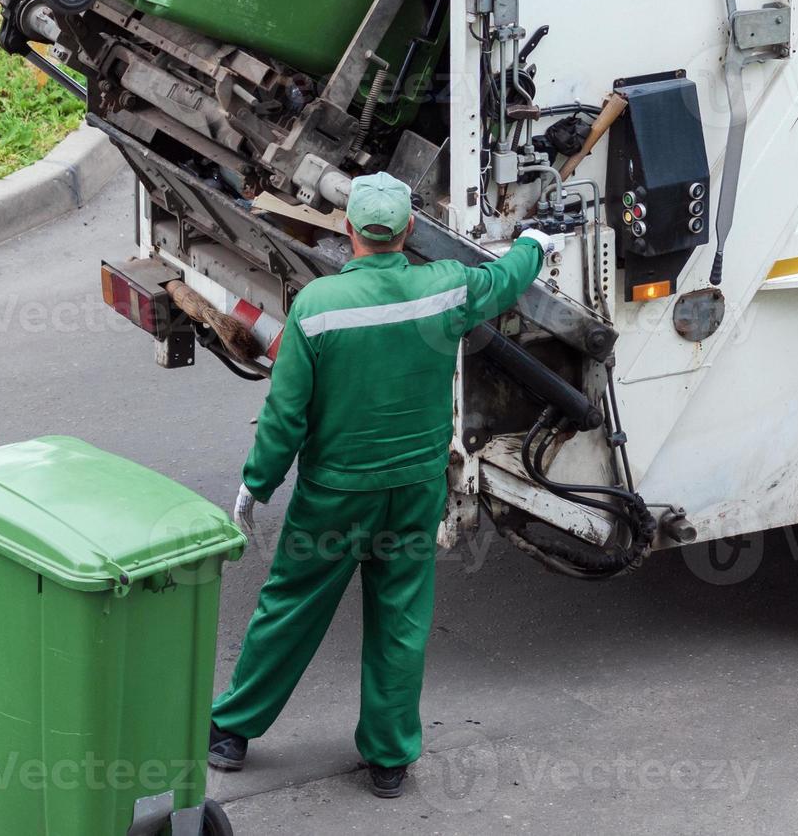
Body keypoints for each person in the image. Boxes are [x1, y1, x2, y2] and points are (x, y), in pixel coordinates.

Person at [208, 171, 555, 798]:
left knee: (291, 607)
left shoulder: (317, 309)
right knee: (399, 618)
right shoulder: (445, 292)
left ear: (349, 232)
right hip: (414, 489)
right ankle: (389, 761)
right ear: (411, 232)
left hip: (334, 496)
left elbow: (287, 417)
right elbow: (505, 282)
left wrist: (254, 487)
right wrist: (533, 243)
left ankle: (231, 733)